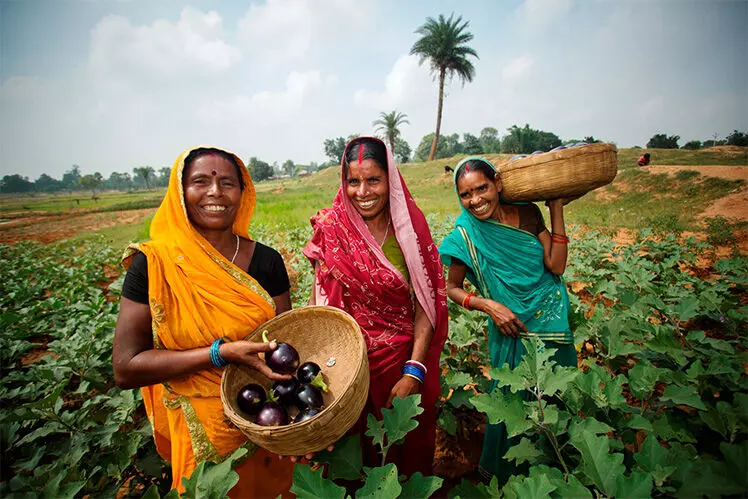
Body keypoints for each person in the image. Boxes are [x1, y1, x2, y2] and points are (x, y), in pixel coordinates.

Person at [112, 146, 294, 497]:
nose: (215, 192)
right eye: (200, 182)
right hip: (202, 438)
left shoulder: (267, 261)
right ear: (180, 194)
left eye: (227, 182)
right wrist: (218, 354)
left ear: (242, 193)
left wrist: (301, 421)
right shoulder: (153, 265)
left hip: (265, 421)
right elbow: (126, 368)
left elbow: (285, 351)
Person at [303, 136, 448, 475]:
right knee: (351, 461)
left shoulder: (409, 231)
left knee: (403, 454)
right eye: (353, 181)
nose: (362, 191)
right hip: (344, 370)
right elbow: (318, 303)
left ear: (390, 180)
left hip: (399, 366)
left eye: (373, 180)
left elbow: (426, 306)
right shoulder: (331, 230)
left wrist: (413, 371)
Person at [438, 156, 577, 484]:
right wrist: (489, 306)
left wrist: (556, 208)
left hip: (550, 319)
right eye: (465, 195)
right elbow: (451, 288)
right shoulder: (465, 234)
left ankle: (554, 479)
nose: (475, 200)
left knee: (553, 399)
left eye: (482, 188)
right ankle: (512, 481)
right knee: (511, 405)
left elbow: (555, 267)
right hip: (508, 328)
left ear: (497, 183)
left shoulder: (528, 212)